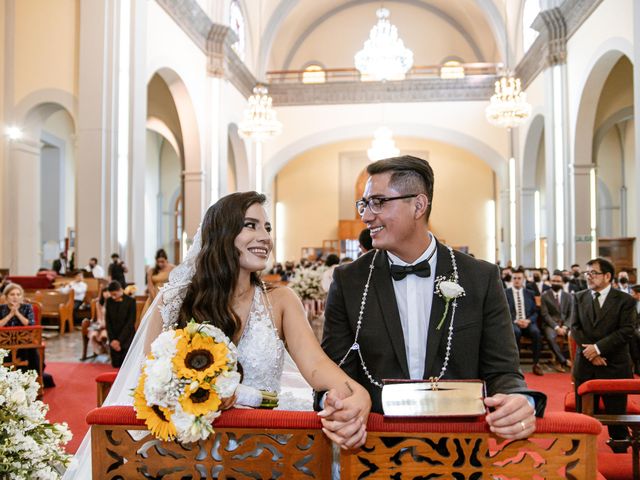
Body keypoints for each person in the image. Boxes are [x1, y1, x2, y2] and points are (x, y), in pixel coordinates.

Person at [63, 191, 371, 479]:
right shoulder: (173, 302)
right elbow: (150, 379)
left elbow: (315, 365)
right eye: (250, 226)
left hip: (265, 444)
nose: (265, 237)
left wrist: (355, 392)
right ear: (222, 233)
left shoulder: (281, 300)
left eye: (267, 227)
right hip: (188, 448)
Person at [319, 155, 545, 448]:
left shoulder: (479, 277)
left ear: (418, 205)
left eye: (378, 202)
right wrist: (334, 399)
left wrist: (518, 399)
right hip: (372, 445)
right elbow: (334, 372)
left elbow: (503, 371)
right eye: (364, 204)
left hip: (458, 447)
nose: (366, 216)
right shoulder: (349, 280)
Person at [571, 257, 636, 452]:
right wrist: (591, 353)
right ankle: (579, 454)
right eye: (587, 273)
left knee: (616, 416)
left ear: (607, 276)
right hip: (586, 365)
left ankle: (620, 453)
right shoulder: (579, 297)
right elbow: (575, 328)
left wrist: (598, 348)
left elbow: (626, 330)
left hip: (613, 364)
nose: (588, 276)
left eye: (594, 273)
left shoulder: (625, 300)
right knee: (582, 416)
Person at [506, 268, 544, 376]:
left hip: (527, 322)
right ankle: (515, 365)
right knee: (516, 332)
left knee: (536, 333)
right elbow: (503, 311)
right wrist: (516, 320)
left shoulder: (530, 293)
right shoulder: (505, 293)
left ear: (523, 280)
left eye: (519, 278)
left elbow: (536, 312)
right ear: (512, 280)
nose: (517, 280)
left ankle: (536, 363)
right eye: (515, 278)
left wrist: (528, 320)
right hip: (514, 322)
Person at [0, 283, 39, 373]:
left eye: (18, 294)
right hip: (4, 341)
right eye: (12, 294)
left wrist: (17, 313)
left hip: (24, 340)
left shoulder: (27, 307)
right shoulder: (1, 308)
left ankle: (32, 375)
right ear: (6, 296)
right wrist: (10, 315)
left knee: (32, 349)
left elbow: (31, 325)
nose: (15, 297)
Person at [539, 271, 573, 372]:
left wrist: (565, 327)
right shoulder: (545, 296)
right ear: (550, 281)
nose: (556, 283)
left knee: (577, 336)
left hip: (565, 324)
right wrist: (557, 327)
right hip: (551, 324)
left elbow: (571, 314)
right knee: (550, 337)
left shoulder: (568, 296)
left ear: (562, 282)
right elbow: (545, 314)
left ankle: (575, 362)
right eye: (553, 280)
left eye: (558, 281)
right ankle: (563, 361)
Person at [105, 281, 136, 368]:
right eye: (111, 294)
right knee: (115, 365)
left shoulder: (131, 301)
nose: (113, 297)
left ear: (120, 290)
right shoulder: (109, 301)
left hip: (126, 338)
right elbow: (108, 322)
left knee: (126, 365)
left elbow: (130, 323)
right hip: (113, 338)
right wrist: (112, 340)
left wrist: (119, 341)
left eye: (115, 294)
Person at [139, 249, 174, 324]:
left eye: (162, 261)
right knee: (148, 320)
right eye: (158, 262)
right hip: (153, 295)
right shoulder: (152, 270)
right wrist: (153, 300)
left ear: (166, 259)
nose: (160, 264)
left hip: (166, 297)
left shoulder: (172, 268)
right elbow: (150, 286)